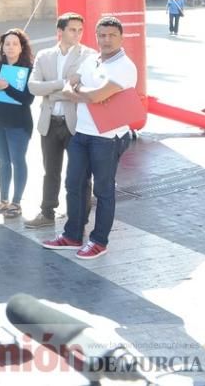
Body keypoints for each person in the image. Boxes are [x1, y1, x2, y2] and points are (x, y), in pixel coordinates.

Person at [43, 16, 137, 259]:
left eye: (111, 35)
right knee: (73, 184)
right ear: (96, 37)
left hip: (107, 137)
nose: (106, 40)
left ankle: (99, 241)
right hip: (82, 133)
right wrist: (81, 93)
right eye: (102, 35)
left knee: (103, 191)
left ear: (121, 37)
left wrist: (79, 93)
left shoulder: (125, 66)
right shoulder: (90, 60)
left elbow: (98, 95)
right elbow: (69, 85)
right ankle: (72, 235)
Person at [25, 13, 94, 229]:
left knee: (79, 174)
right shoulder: (44, 56)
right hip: (49, 122)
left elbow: (82, 91)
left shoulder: (89, 56)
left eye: (80, 30)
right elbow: (33, 87)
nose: (77, 34)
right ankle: (47, 212)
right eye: (72, 29)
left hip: (75, 123)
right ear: (60, 31)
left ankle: (80, 217)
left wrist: (51, 91)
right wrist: (61, 84)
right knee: (50, 171)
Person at [0, 28, 35, 218]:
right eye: (7, 44)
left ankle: (16, 203)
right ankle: (3, 201)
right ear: (2, 47)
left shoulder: (28, 70)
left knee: (18, 161)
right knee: (3, 161)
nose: (10, 47)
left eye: (14, 44)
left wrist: (7, 87)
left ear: (21, 48)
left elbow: (27, 99)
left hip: (18, 123)